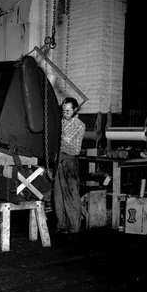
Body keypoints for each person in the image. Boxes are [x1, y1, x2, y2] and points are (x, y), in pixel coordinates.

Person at [53, 97, 86, 234]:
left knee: (70, 194)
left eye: (67, 111)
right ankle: (62, 225)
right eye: (63, 111)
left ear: (75, 110)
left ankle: (74, 227)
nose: (65, 113)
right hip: (59, 158)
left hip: (70, 160)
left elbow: (65, 139)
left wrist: (57, 133)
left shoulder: (79, 125)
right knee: (58, 194)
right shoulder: (61, 121)